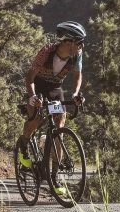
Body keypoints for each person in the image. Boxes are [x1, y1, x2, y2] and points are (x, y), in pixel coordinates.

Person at [17, 21, 86, 192]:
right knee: (35, 119)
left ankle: (54, 177)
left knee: (59, 127)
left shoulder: (77, 54)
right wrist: (32, 96)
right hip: (38, 86)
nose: (82, 46)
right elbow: (30, 77)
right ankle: (23, 146)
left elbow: (77, 75)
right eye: (79, 42)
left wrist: (75, 94)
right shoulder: (46, 51)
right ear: (68, 41)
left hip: (55, 88)